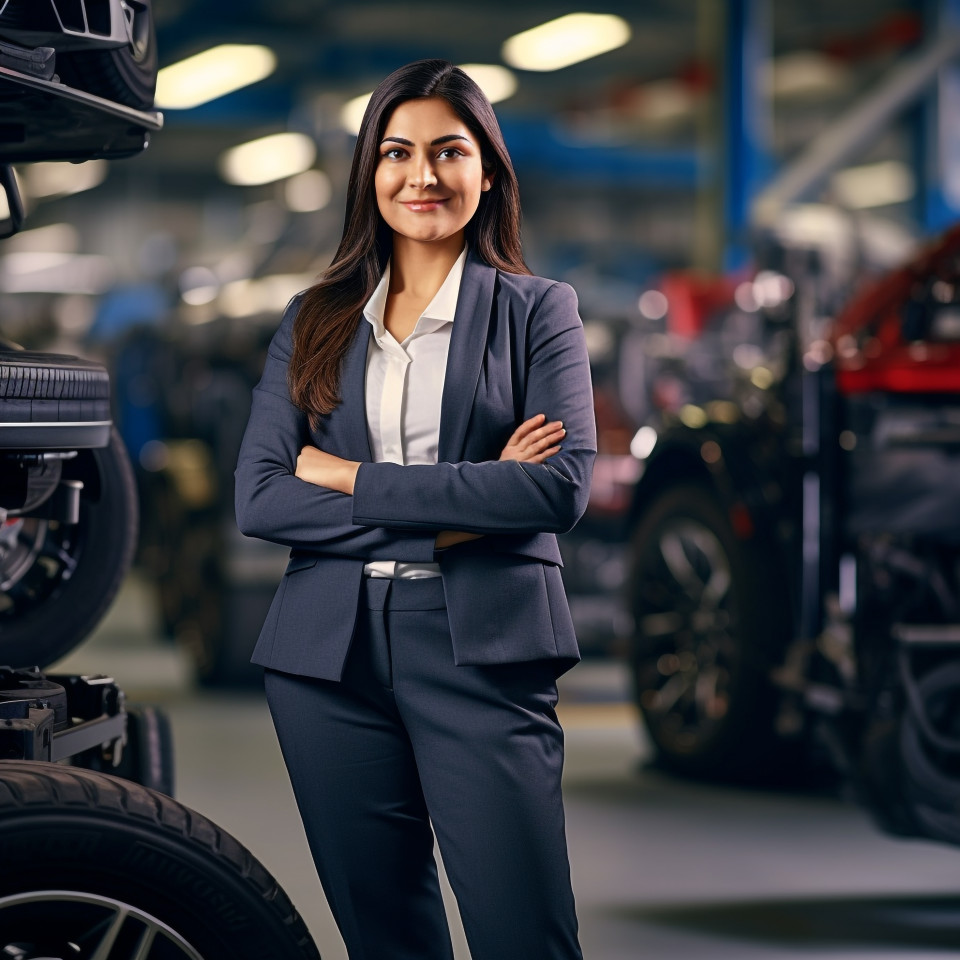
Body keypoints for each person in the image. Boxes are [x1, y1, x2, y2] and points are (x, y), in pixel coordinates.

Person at [235, 58, 596, 960]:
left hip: (483, 644)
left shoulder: (538, 314)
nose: (421, 175)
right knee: (384, 937)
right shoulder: (315, 316)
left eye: (448, 151)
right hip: (326, 659)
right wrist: (469, 501)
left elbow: (555, 489)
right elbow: (262, 496)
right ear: (370, 172)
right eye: (396, 153)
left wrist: (350, 477)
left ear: (488, 171)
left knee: (525, 935)